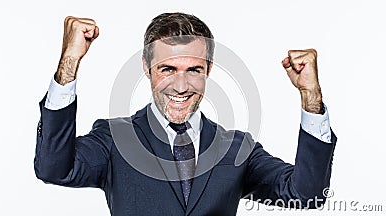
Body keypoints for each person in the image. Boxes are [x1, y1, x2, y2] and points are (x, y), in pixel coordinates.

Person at [34, 12, 337, 215]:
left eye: (194, 70)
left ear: (209, 70)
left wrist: (310, 96)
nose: (181, 86)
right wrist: (69, 63)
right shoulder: (115, 139)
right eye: (167, 69)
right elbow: (54, 169)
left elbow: (306, 193)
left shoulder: (236, 148)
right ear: (147, 68)